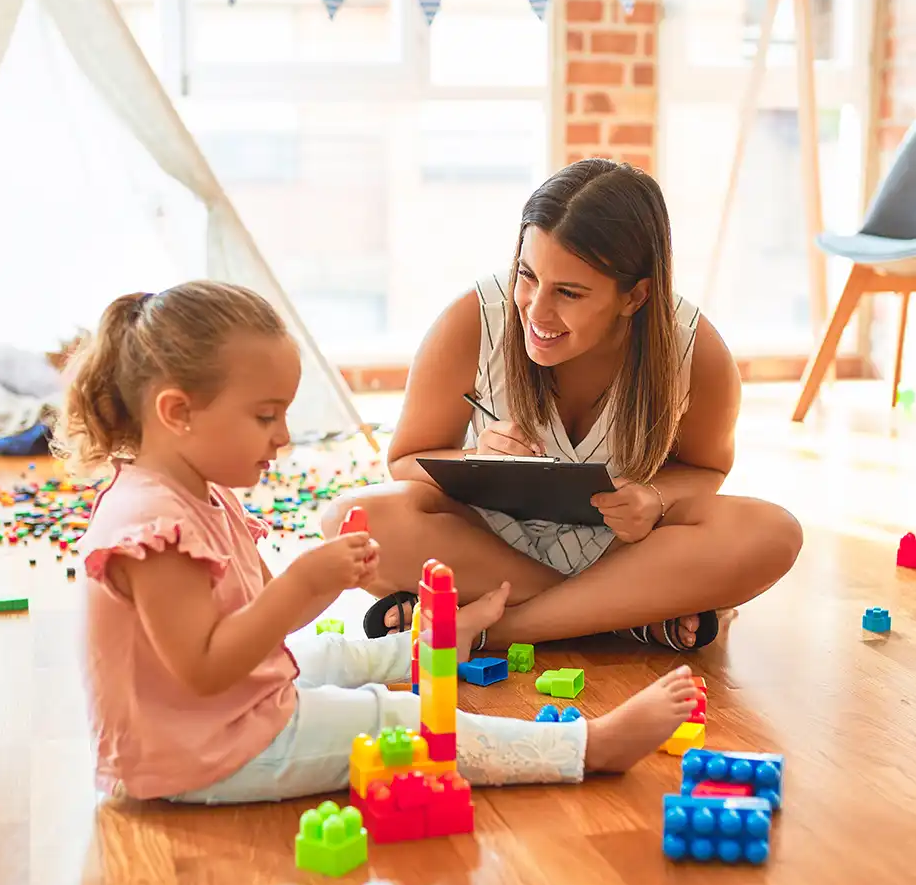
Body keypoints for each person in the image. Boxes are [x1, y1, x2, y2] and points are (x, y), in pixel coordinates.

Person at [58, 280, 699, 804]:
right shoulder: (152, 530)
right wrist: (310, 581)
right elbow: (204, 669)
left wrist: (320, 581)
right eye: (264, 416)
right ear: (177, 412)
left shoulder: (196, 492)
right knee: (391, 724)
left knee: (320, 657)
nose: (283, 436)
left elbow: (257, 625)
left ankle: (430, 650)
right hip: (198, 754)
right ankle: (590, 748)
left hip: (209, 721)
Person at [322, 158, 803, 652]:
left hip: (624, 550)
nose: (536, 310)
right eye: (527, 276)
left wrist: (653, 499)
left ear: (635, 296)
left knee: (773, 533)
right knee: (350, 519)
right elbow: (406, 461)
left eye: (569, 293)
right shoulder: (474, 319)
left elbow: (706, 468)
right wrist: (480, 462)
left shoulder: (694, 351)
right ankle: (625, 617)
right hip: (487, 542)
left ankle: (493, 628)